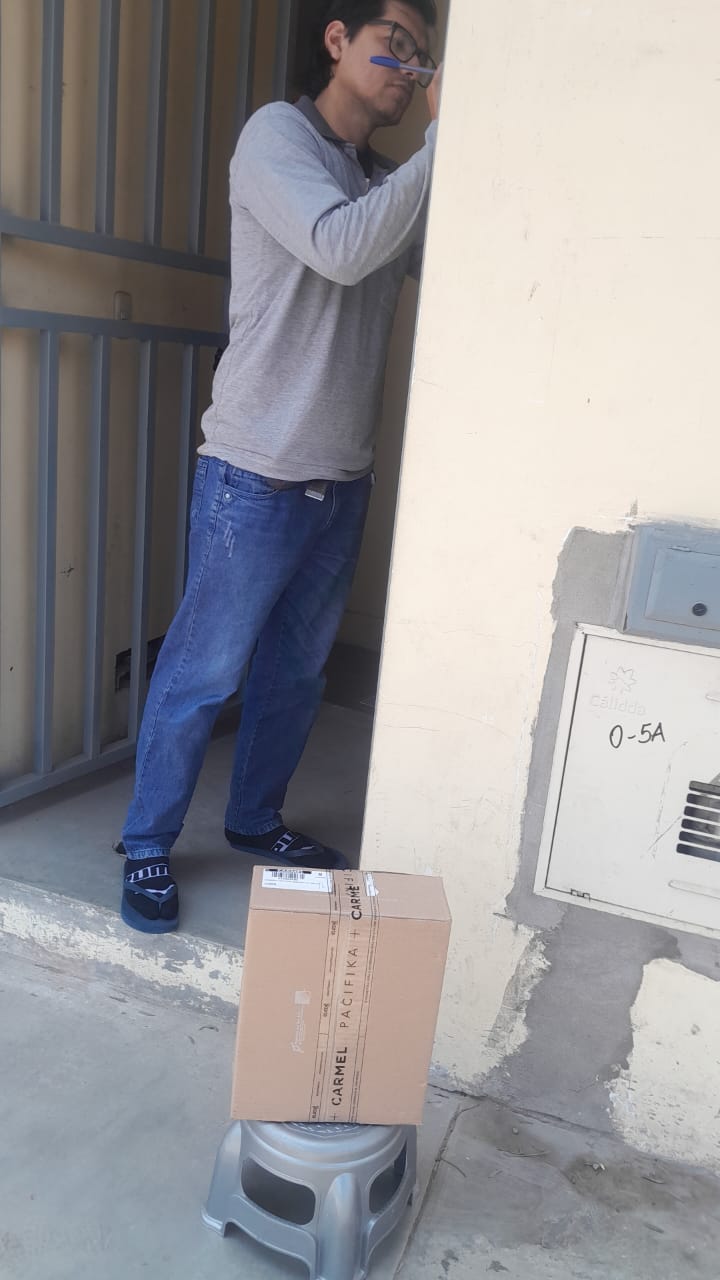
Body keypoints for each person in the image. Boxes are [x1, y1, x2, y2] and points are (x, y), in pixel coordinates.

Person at [118, 0, 442, 933]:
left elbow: (431, 264)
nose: (412, 70)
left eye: (422, 57)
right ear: (338, 41)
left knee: (297, 675)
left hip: (343, 476)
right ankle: (147, 843)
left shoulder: (382, 180)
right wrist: (446, 146)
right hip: (255, 471)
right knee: (204, 671)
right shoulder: (276, 137)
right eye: (396, 46)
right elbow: (341, 249)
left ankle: (255, 820)